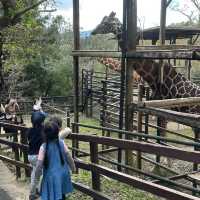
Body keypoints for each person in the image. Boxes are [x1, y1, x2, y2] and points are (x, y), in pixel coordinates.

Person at [35, 120, 75, 200]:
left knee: (51, 196)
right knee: (61, 193)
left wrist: (37, 177)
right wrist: (73, 167)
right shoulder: (61, 143)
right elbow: (68, 156)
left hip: (51, 177)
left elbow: (39, 165)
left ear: (45, 134)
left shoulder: (43, 147)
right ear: (57, 132)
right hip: (63, 174)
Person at [27, 111, 47, 200]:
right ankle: (37, 191)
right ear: (42, 122)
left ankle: (34, 192)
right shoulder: (43, 131)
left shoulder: (30, 131)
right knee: (43, 174)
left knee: (35, 174)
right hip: (38, 157)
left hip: (30, 156)